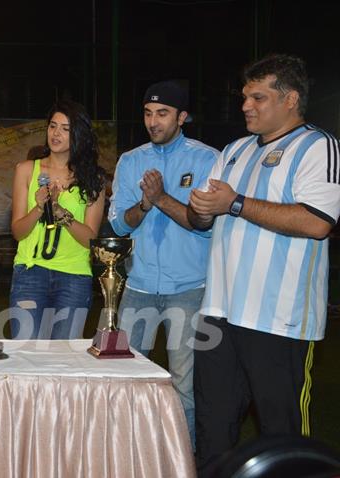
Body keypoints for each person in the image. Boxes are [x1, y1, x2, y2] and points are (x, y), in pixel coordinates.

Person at [188, 54, 340, 473]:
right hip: (217, 313)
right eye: (244, 97)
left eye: (258, 97)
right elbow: (201, 218)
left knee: (283, 434)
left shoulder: (317, 146)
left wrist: (233, 202)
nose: (245, 106)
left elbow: (316, 222)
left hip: (278, 320)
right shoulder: (234, 150)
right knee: (213, 429)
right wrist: (201, 210)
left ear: (290, 99)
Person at [108, 80, 218, 446]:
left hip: (188, 289)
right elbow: (119, 224)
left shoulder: (206, 159)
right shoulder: (131, 160)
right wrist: (143, 204)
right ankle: (129, 455)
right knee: (124, 378)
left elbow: (204, 225)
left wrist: (160, 197)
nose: (153, 122)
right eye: (148, 113)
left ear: (182, 117)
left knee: (184, 383)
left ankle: (184, 459)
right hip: (137, 287)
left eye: (163, 114)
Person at [9, 99, 105, 339]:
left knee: (64, 360)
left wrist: (63, 214)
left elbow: (90, 239)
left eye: (65, 128)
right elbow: (18, 232)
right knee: (26, 355)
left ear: (79, 135)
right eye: (52, 126)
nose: (56, 133)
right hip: (30, 274)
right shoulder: (26, 169)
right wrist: (40, 208)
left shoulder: (93, 179)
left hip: (73, 277)